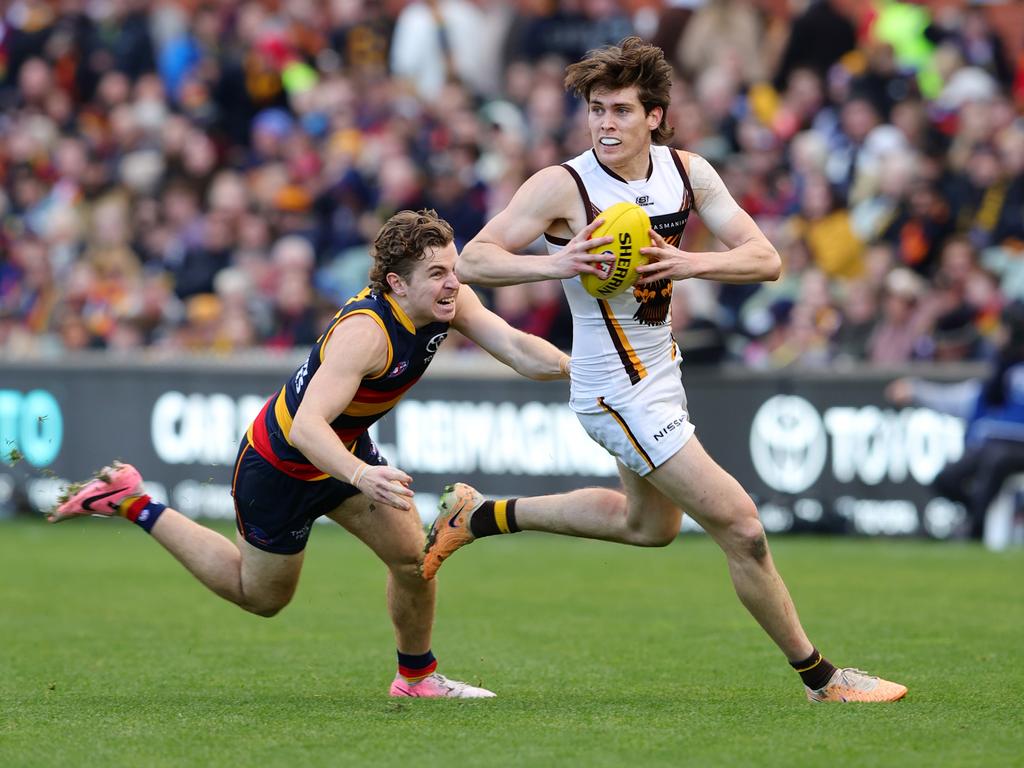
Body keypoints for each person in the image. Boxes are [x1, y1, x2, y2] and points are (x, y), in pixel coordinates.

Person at [421, 37, 906, 703]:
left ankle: (479, 515)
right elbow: (473, 259)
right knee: (743, 528)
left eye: (620, 110)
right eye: (596, 110)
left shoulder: (688, 173)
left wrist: (687, 262)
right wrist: (558, 263)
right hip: (614, 390)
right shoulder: (564, 184)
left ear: (655, 115)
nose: (605, 124)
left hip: (661, 373)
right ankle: (823, 680)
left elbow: (766, 259)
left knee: (648, 527)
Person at [49, 210, 572, 698]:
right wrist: (363, 475)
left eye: (453, 269)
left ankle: (416, 678)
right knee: (261, 598)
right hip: (280, 467)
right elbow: (305, 428)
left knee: (415, 561)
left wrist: (583, 371)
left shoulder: (449, 304)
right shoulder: (366, 333)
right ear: (397, 283)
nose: (453, 282)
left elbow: (519, 348)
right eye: (437, 273)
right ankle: (133, 502)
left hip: (345, 455)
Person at [887, 300, 1024, 541]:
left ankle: (975, 531)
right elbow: (962, 399)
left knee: (996, 459)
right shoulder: (1000, 369)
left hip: (1014, 448)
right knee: (947, 477)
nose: (997, 335)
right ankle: (978, 514)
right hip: (993, 446)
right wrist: (916, 391)